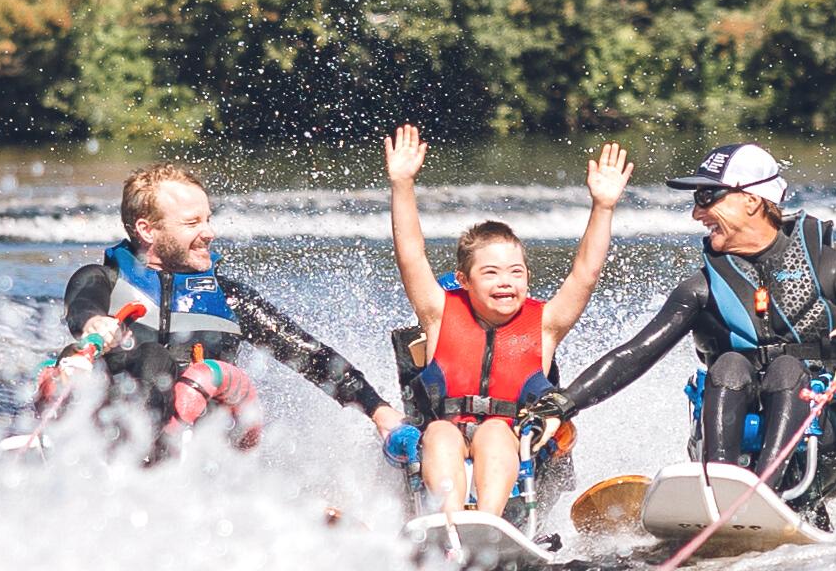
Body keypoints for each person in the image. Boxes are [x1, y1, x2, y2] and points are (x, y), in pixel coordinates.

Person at [519, 143, 836, 528]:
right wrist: (563, 403)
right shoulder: (702, 289)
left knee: (787, 369)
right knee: (730, 365)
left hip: (824, 452)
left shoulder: (831, 269)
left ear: (752, 200)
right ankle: (722, 490)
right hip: (730, 454)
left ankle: (762, 497)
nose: (696, 212)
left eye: (707, 196)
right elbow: (635, 355)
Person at [58, 162, 402, 451]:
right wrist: (94, 323)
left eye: (208, 219)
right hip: (113, 440)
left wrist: (378, 410)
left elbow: (309, 355)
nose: (209, 232)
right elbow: (83, 305)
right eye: (192, 223)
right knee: (151, 358)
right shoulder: (102, 281)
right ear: (147, 231)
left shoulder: (230, 298)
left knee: (160, 363)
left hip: (203, 453)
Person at [383, 123, 634, 516]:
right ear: (464, 280)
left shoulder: (545, 324)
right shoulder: (438, 313)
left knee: (495, 432)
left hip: (512, 439)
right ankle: (451, 522)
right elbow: (411, 256)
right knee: (441, 433)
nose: (506, 282)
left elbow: (585, 274)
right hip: (447, 433)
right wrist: (402, 184)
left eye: (516, 272)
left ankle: (487, 522)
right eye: (491, 273)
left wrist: (603, 208)